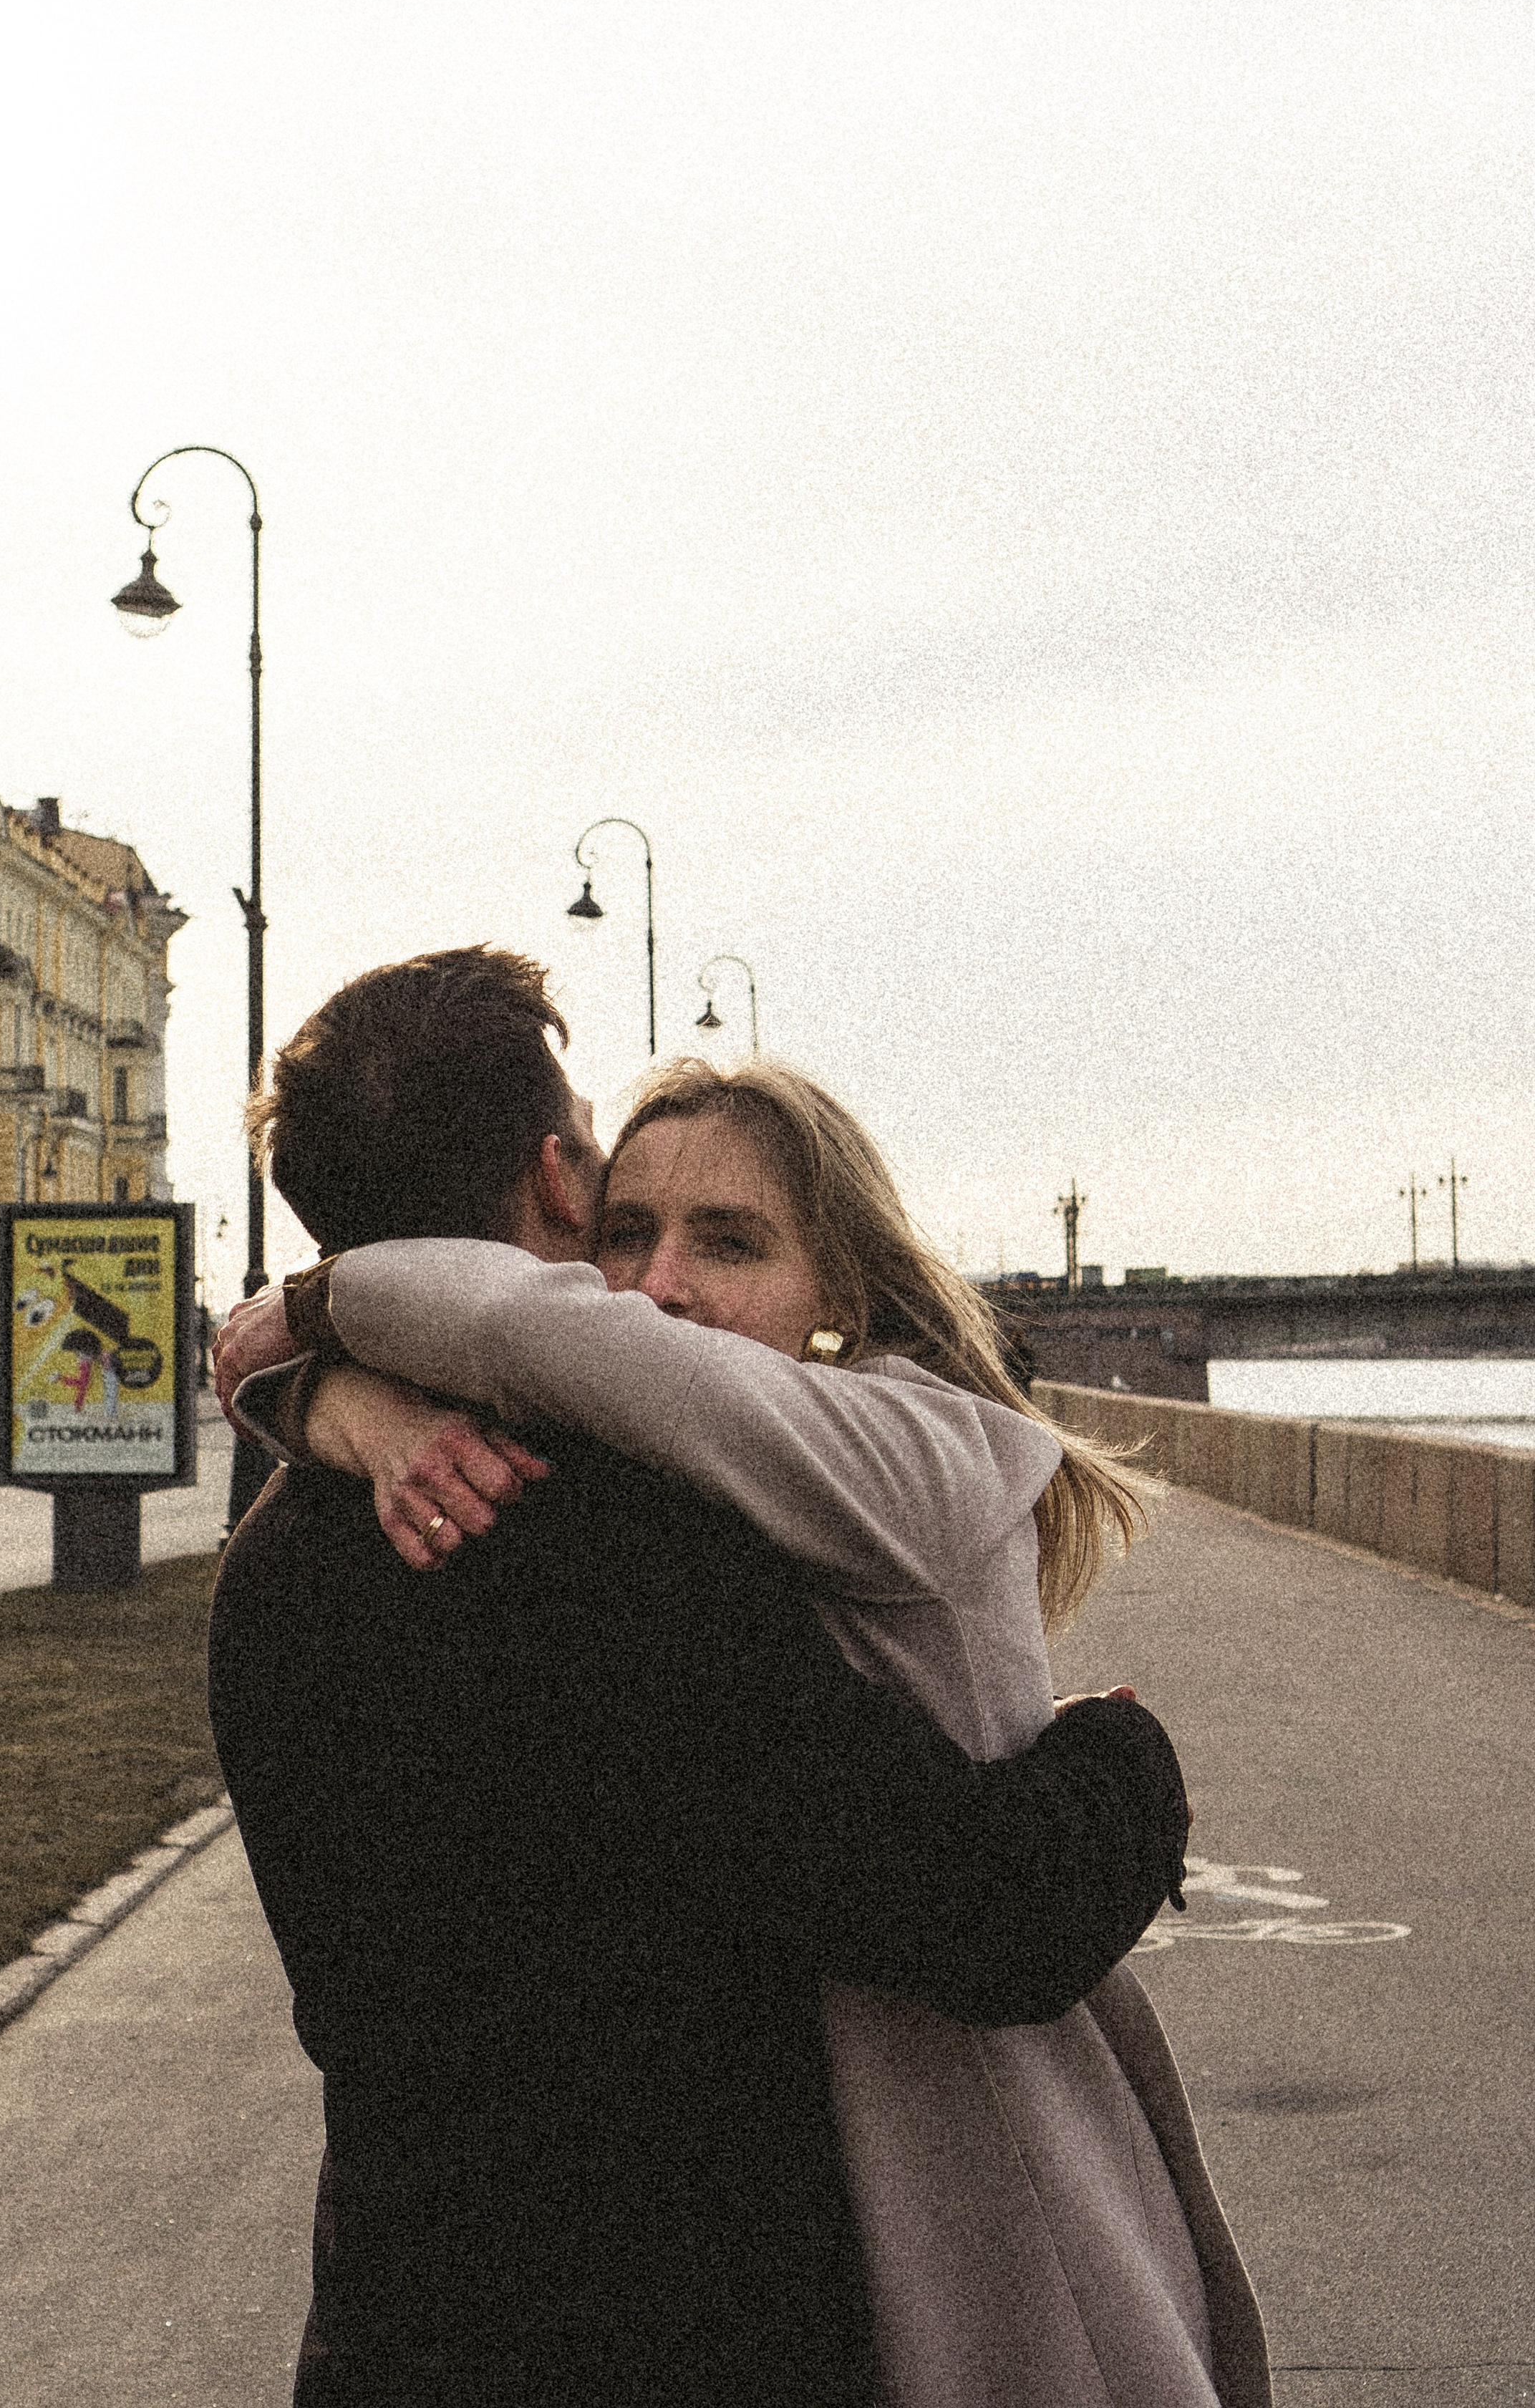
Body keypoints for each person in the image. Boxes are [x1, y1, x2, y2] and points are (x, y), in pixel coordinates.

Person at [209, 947, 1193, 2407]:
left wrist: (298, 1365)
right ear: (557, 1180)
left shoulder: (272, 1564)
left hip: (396, 2319)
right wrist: (1123, 1761)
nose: (656, 1291)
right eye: (618, 1210)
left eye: (726, 1242)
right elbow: (982, 1906)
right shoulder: (615, 1544)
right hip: (686, 2332)